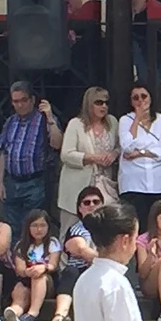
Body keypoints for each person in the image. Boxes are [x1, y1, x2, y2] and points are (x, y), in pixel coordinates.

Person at [0, 81, 63, 238]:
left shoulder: (44, 119)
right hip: (11, 181)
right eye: (15, 101)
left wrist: (50, 117)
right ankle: (14, 254)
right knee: (11, 228)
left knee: (34, 226)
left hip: (35, 182)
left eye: (23, 100)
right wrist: (0, 182)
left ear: (32, 100)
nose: (20, 105)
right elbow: (3, 153)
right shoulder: (10, 122)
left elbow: (57, 144)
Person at [59, 87, 119, 237]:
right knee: (70, 231)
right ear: (89, 104)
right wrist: (93, 157)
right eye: (99, 102)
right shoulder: (75, 124)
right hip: (77, 186)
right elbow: (66, 155)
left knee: (105, 232)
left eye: (106, 103)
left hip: (105, 185)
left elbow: (120, 146)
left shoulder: (112, 122)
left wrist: (114, 154)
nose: (104, 106)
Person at [118, 84, 161, 233]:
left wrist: (140, 152)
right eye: (135, 98)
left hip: (159, 183)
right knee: (136, 227)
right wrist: (137, 119)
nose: (140, 100)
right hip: (133, 183)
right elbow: (127, 146)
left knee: (160, 227)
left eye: (144, 96)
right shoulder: (125, 120)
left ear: (151, 98)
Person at [52, 187, 104, 321]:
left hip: (102, 271)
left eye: (96, 202)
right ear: (80, 208)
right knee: (70, 271)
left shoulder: (111, 229)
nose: (91, 205)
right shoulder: (76, 229)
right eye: (86, 203)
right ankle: (60, 315)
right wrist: (105, 260)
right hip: (81, 272)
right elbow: (81, 249)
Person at [3, 209, 60, 321]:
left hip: (46, 280)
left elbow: (53, 265)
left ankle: (33, 313)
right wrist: (26, 271)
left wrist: (43, 268)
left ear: (48, 227)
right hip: (27, 279)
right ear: (28, 227)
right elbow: (20, 269)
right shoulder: (21, 245)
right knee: (20, 288)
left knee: (37, 275)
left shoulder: (52, 243)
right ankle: (14, 312)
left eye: (42, 225)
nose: (39, 229)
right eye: (34, 225)